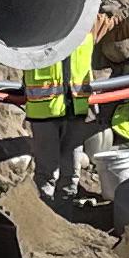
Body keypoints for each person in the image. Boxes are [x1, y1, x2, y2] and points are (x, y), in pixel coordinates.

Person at [22, 33, 98, 206]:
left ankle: (65, 209)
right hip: (44, 111)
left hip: (75, 109)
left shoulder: (87, 26)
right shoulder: (37, 27)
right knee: (46, 169)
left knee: (71, 168)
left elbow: (116, 26)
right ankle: (44, 210)